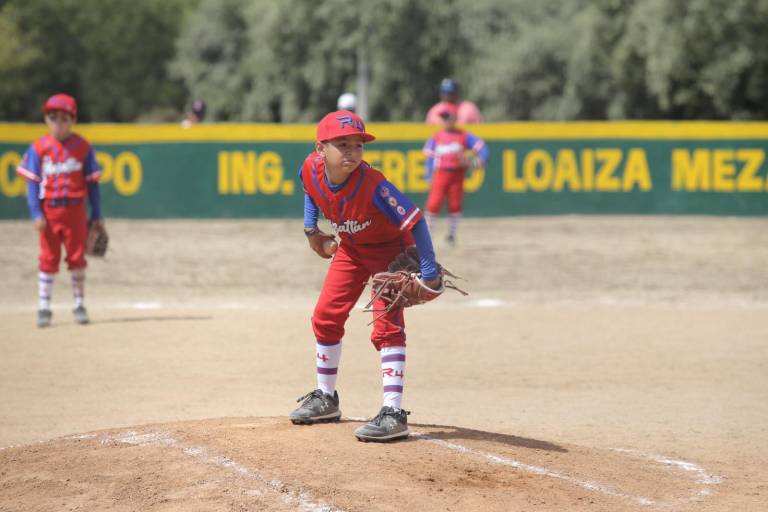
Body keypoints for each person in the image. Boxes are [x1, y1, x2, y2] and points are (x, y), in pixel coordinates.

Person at [291, 110, 443, 442]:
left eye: (358, 145)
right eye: (342, 144)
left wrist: (429, 273)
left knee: (386, 323)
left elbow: (415, 220)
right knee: (326, 315)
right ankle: (325, 397)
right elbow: (310, 191)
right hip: (351, 248)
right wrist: (310, 229)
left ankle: (393, 412)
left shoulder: (373, 185)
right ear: (320, 149)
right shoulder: (310, 169)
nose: (352, 152)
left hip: (390, 250)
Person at [15, 93, 104, 328]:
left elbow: (93, 185)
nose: (58, 122)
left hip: (75, 211)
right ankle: (44, 307)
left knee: (77, 258)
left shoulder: (83, 147)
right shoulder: (39, 148)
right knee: (48, 258)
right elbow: (32, 184)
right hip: (49, 212)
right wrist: (36, 213)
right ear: (46, 119)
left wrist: (97, 215)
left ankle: (79, 304)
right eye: (52, 117)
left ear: (73, 120)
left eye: (64, 118)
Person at [423, 105, 488, 246]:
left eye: (448, 117)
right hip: (440, 174)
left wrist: (478, 161)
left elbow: (482, 147)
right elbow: (428, 156)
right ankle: (426, 237)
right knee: (433, 204)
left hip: (457, 174)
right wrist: (428, 174)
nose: (445, 120)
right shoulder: (437, 137)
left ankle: (451, 236)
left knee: (455, 205)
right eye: (443, 118)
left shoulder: (463, 136)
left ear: (455, 118)